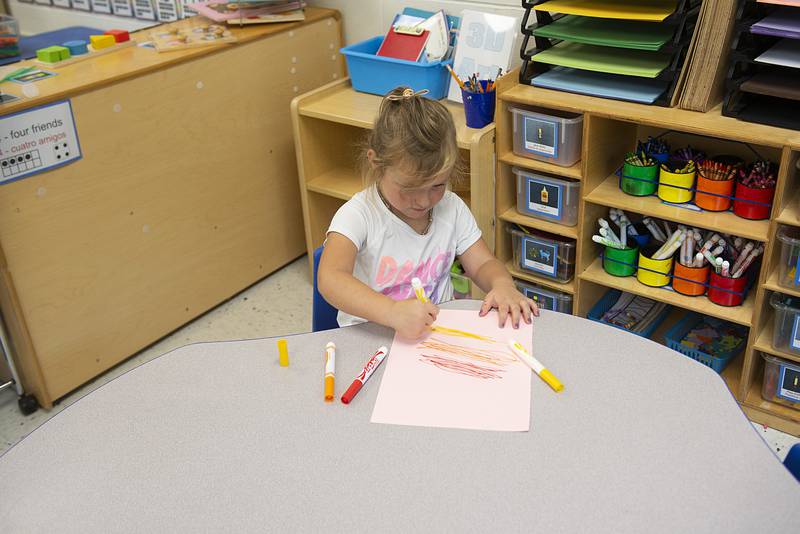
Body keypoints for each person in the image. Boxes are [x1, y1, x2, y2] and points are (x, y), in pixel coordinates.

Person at [318, 86, 538, 339]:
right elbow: (331, 278)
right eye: (409, 188)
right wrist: (391, 312)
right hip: (372, 338)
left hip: (432, 337)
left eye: (437, 185)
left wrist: (503, 285)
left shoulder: (452, 208)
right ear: (376, 163)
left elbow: (483, 264)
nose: (424, 201)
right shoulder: (358, 215)